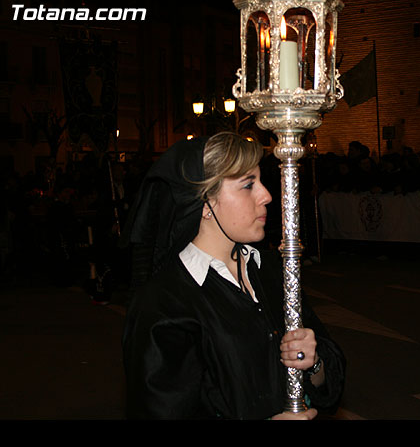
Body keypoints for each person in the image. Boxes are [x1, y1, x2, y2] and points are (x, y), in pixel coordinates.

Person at [120, 132, 346, 420]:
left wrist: (314, 364)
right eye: (248, 185)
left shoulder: (269, 270)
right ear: (204, 203)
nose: (266, 195)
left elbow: (327, 382)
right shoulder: (163, 303)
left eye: (260, 181)